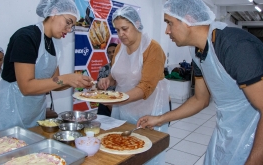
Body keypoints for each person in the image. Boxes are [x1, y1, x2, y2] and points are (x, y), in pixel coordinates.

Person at [137, 0, 263, 165]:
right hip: (227, 130)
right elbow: (200, 99)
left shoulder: (233, 46)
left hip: (256, 135)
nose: (167, 31)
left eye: (169, 23)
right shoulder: (196, 51)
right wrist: (159, 119)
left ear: (188, 20)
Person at [0, 0, 93, 131]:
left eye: (72, 26)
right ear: (54, 12)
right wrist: (68, 78)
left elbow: (55, 83)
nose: (69, 30)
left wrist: (76, 81)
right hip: (12, 107)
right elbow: (26, 87)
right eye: (68, 22)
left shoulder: (55, 44)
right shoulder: (26, 37)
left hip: (35, 110)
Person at [98, 6, 169, 165]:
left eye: (125, 28)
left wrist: (116, 100)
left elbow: (146, 88)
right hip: (123, 109)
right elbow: (117, 76)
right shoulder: (119, 49)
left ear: (137, 25)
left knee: (147, 154)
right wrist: (108, 80)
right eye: (117, 30)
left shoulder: (152, 49)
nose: (121, 34)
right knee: (122, 150)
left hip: (149, 111)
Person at [96, 42, 117, 116]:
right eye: (109, 52)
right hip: (105, 104)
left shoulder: (124, 69)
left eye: (114, 51)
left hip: (119, 104)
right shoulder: (104, 69)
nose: (111, 54)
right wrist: (108, 104)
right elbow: (99, 88)